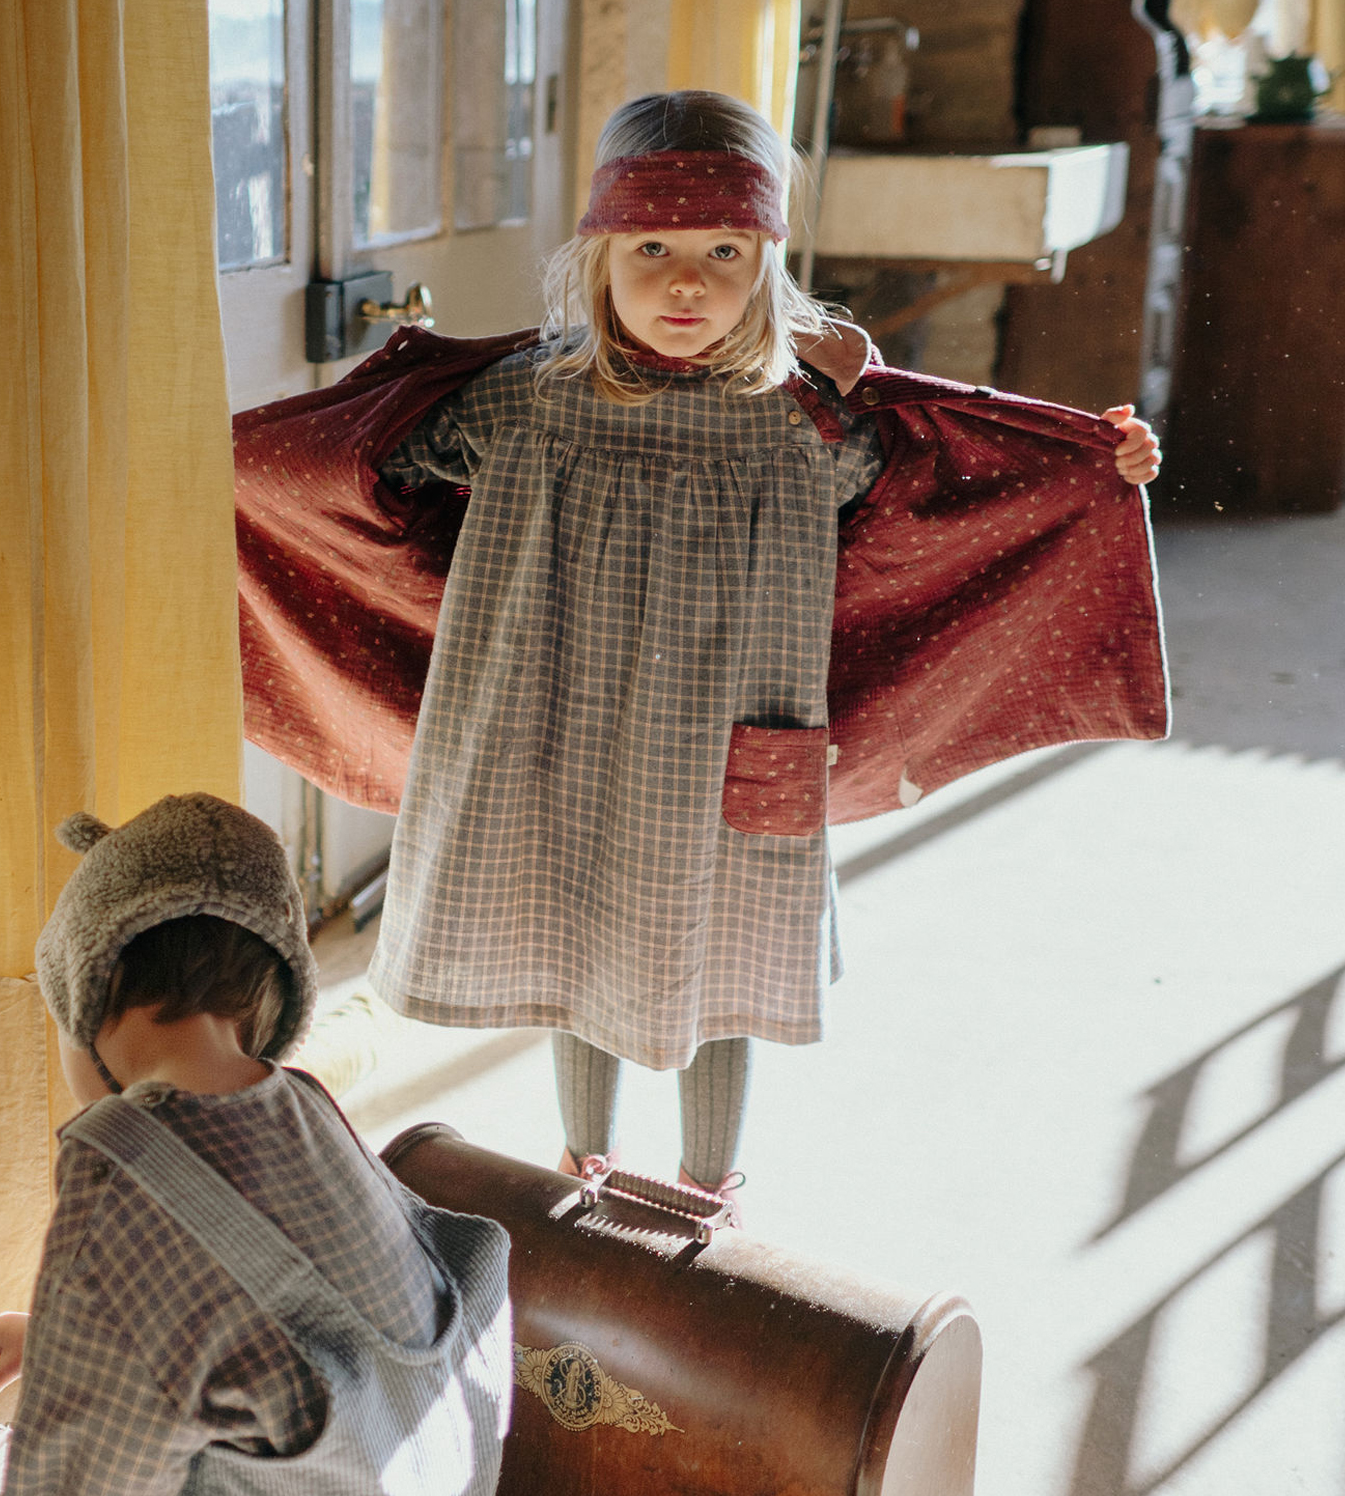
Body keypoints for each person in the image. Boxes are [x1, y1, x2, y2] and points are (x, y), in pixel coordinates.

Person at [234, 90, 1167, 1223]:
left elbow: (958, 494)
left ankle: (707, 1189)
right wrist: (216, 459)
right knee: (578, 953)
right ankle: (585, 1173)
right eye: (653, 248)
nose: (688, 282)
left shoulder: (812, 425)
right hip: (555, 735)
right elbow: (345, 460)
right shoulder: (517, 407)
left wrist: (1089, 466)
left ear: (769, 262)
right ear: (598, 257)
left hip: (734, 748)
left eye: (725, 250)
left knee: (728, 966)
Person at [0, 792, 514, 1496]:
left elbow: (82, 1488)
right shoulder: (299, 1100)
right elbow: (249, 1299)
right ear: (269, 997)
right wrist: (54, 1327)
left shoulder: (122, 1166)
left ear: (90, 985)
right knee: (199, 1441)